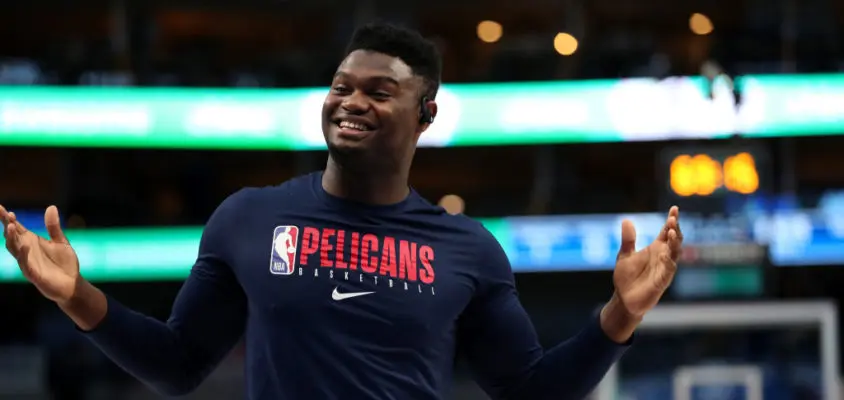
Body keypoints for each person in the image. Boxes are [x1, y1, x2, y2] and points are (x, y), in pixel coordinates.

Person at [0, 23, 683, 400]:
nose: (352, 101)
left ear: (426, 114)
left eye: (380, 91)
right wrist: (77, 297)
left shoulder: (467, 250)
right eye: (341, 86)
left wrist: (620, 315)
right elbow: (177, 367)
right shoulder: (248, 219)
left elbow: (531, 394)